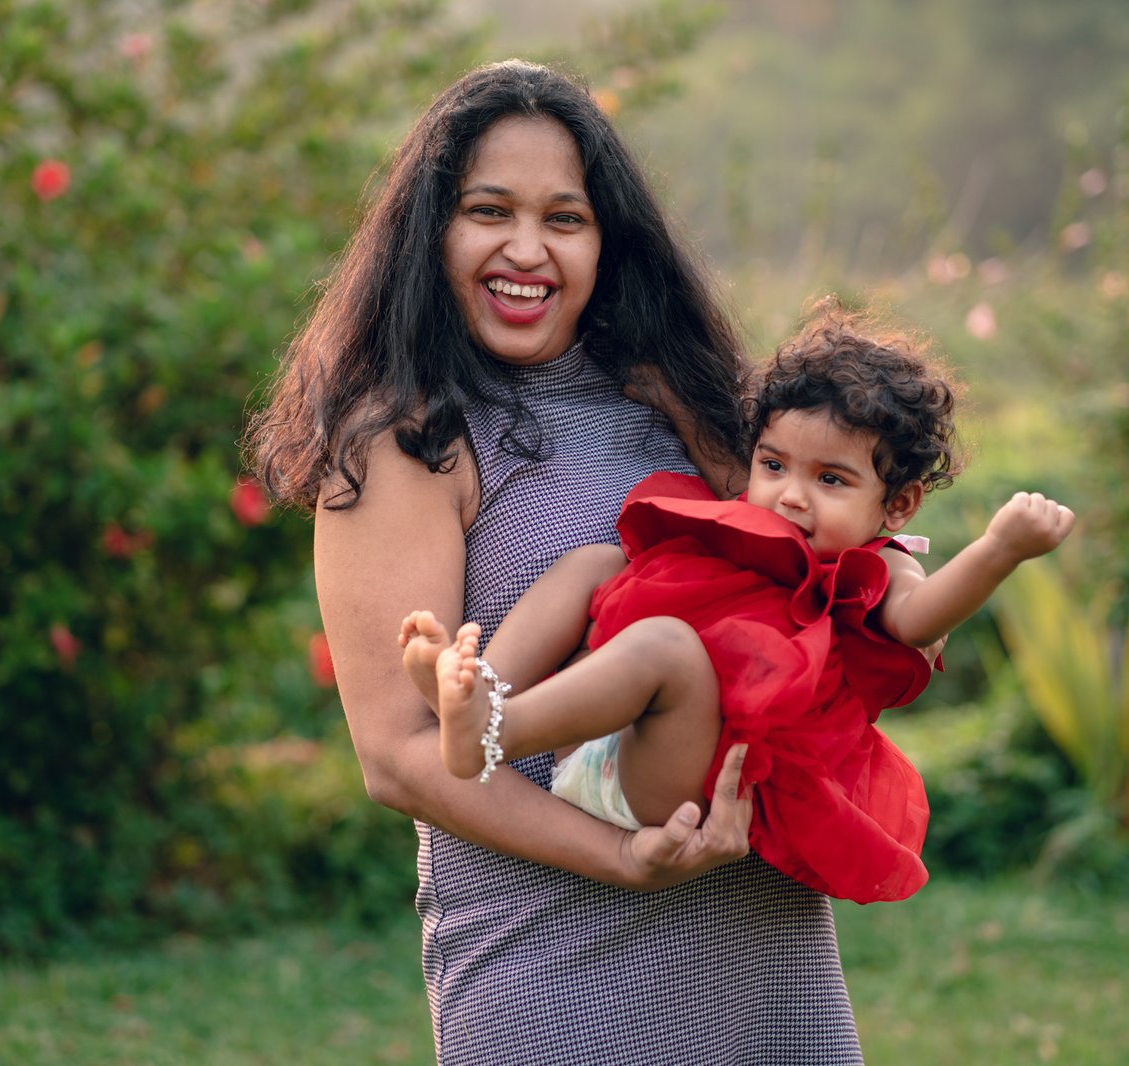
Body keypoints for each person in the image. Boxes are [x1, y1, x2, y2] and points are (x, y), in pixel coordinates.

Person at [247, 59, 870, 1064]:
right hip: (558, 972)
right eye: (488, 211)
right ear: (431, 230)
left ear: (606, 239)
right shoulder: (406, 441)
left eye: (564, 219)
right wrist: (623, 857)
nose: (526, 250)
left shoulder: (684, 402)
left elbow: (806, 600)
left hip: (766, 946)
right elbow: (399, 756)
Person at [400, 299, 1075, 905]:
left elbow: (918, 621)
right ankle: (480, 689)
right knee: (597, 563)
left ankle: (494, 731)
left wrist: (999, 550)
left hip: (677, 781)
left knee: (668, 647)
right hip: (598, 745)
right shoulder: (759, 523)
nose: (791, 496)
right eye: (773, 465)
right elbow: (727, 468)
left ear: (897, 506)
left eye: (831, 480)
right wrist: (671, 400)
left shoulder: (880, 568)